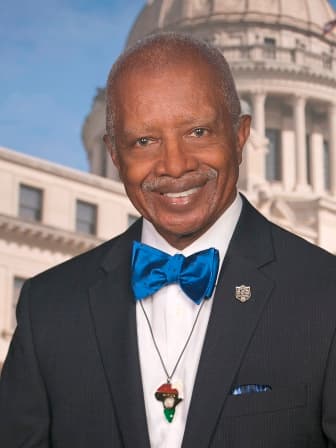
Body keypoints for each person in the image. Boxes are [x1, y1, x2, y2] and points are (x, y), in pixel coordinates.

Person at [0, 32, 335, 448]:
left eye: (198, 132)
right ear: (114, 154)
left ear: (241, 135)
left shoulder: (326, 295)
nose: (174, 165)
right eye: (144, 141)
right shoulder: (46, 308)